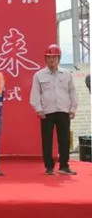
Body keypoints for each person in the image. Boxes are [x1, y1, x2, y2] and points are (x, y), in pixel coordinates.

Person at [29, 44, 78, 175]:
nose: (51, 60)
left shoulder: (67, 74)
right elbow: (35, 94)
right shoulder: (39, 75)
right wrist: (38, 109)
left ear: (59, 58)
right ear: (45, 58)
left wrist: (73, 108)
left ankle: (64, 165)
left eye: (54, 57)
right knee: (47, 140)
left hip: (63, 110)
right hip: (47, 112)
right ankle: (49, 166)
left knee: (64, 139)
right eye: (49, 57)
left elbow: (72, 91)